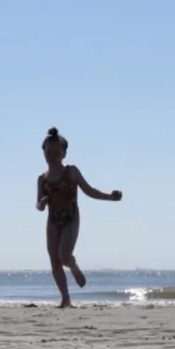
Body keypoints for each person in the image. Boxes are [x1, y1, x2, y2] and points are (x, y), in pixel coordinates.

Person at [35, 127, 122, 307]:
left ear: (64, 153)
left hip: (71, 219)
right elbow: (38, 205)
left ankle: (73, 266)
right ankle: (65, 297)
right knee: (54, 261)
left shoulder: (71, 171)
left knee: (64, 256)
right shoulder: (42, 179)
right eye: (48, 152)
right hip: (53, 221)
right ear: (43, 153)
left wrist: (109, 197)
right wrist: (42, 203)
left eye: (57, 152)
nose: (52, 155)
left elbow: (89, 191)